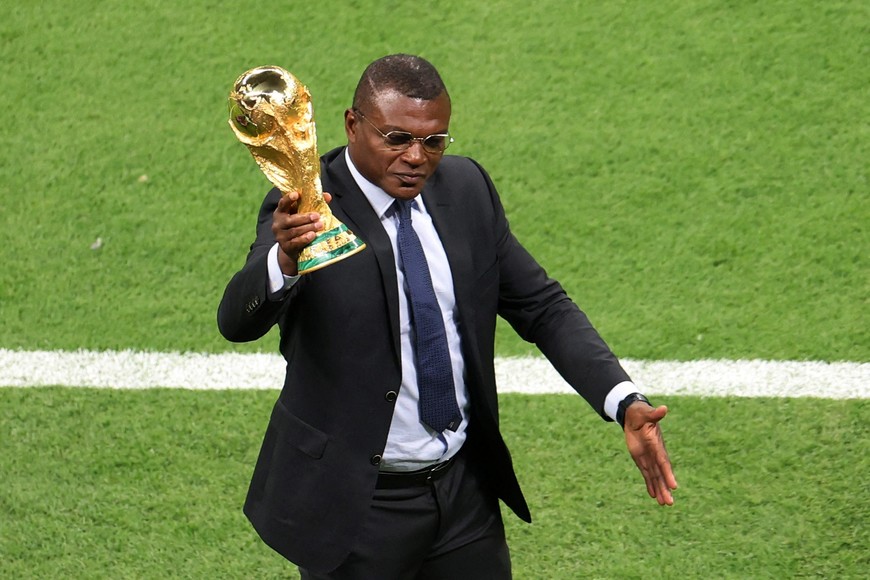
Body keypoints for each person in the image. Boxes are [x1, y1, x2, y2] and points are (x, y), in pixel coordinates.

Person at [218, 53, 677, 579]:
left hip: (463, 497)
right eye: (396, 138)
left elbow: (542, 306)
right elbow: (236, 320)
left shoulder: (466, 190)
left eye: (434, 141)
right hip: (358, 510)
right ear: (352, 125)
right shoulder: (304, 208)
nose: (416, 156)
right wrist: (283, 261)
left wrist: (624, 401)